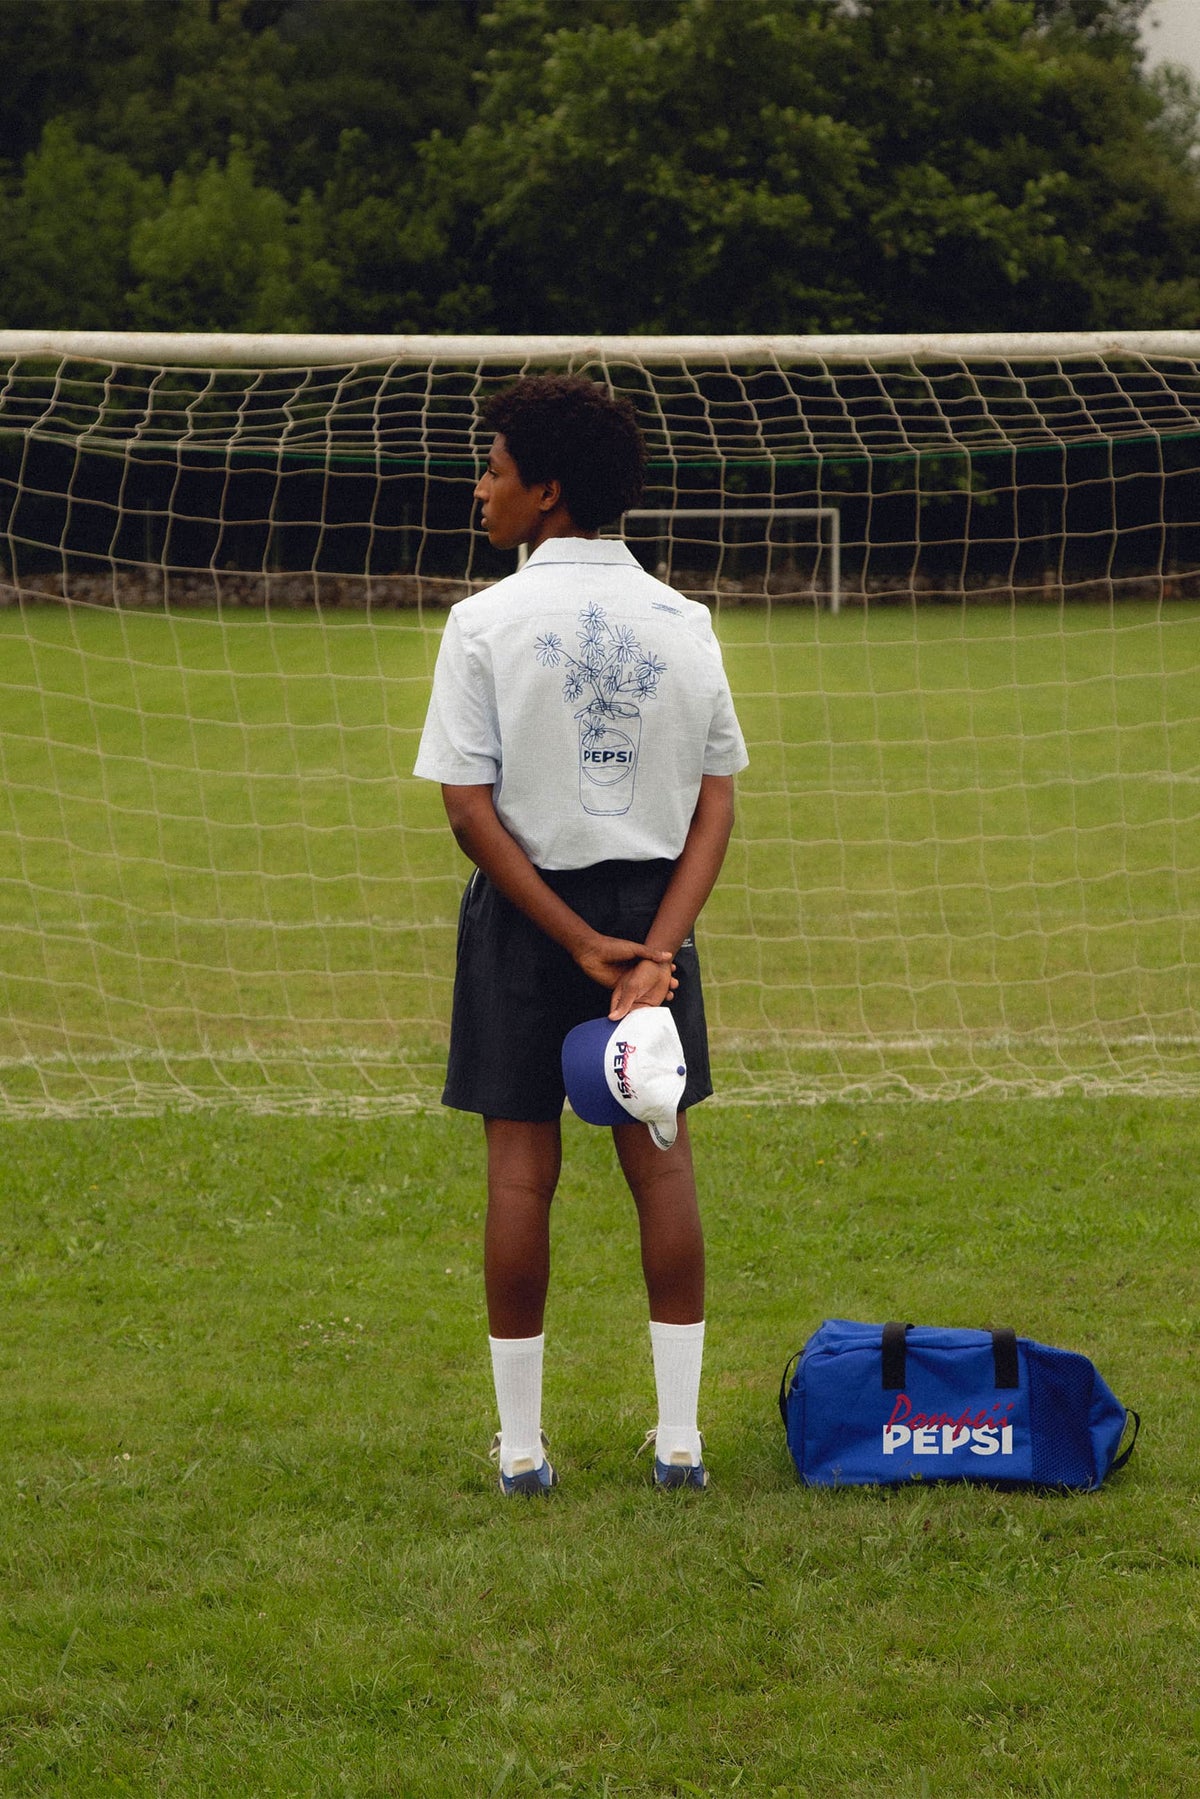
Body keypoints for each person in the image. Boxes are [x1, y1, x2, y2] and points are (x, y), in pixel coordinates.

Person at [413, 373, 748, 1494]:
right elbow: (715, 801)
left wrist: (573, 940)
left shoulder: (482, 624)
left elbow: (469, 807)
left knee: (520, 1173)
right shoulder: (686, 623)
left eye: (496, 467)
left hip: (527, 918)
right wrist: (654, 947)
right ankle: (682, 1441)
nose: (482, 487)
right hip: (650, 920)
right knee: (663, 1165)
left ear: (547, 491)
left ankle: (521, 1451)